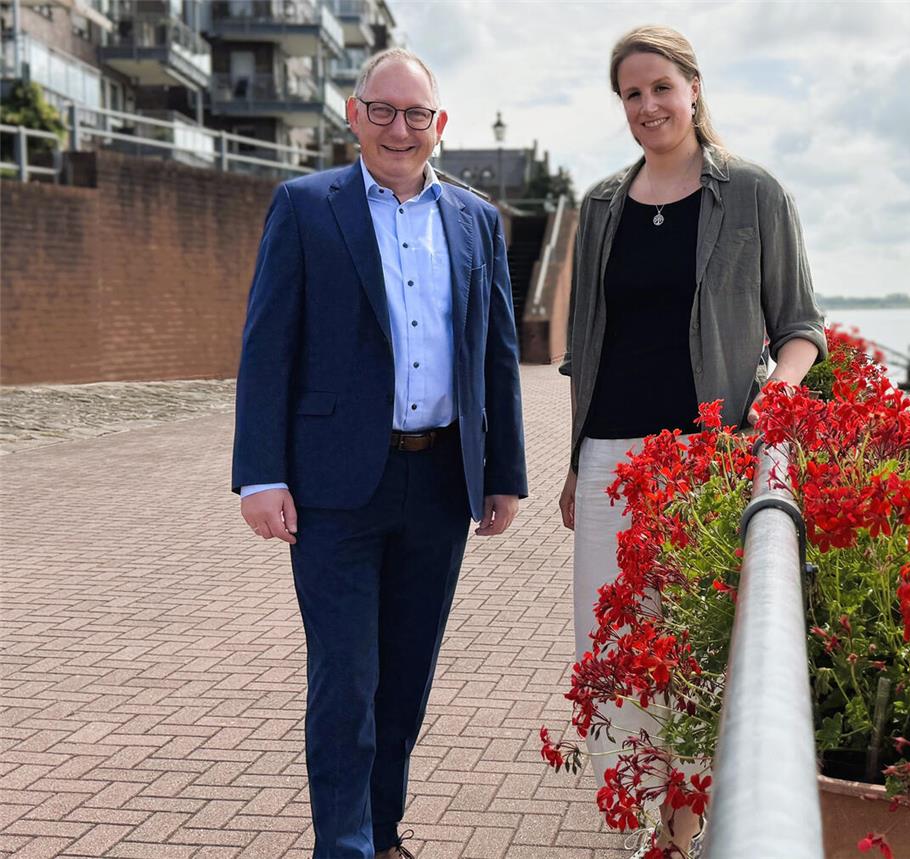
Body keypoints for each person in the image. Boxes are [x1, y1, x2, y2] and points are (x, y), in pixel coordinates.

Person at [231, 48, 527, 859]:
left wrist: (502, 474)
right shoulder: (304, 206)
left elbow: (495, 352)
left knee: (403, 683)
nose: (401, 128)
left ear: (441, 126)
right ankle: (346, 846)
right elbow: (267, 348)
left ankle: (381, 831)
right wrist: (260, 474)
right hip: (334, 489)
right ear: (354, 115)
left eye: (417, 114)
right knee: (346, 680)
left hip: (438, 483)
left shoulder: (475, 221)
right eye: (384, 111)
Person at [557, 25, 826, 859]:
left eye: (660, 88)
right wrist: (573, 464)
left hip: (705, 459)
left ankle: (701, 823)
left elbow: (801, 327)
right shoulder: (601, 206)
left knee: (700, 644)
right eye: (631, 95)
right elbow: (588, 347)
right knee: (619, 650)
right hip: (608, 457)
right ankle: (663, 829)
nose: (647, 107)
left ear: (695, 89)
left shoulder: (752, 194)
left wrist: (773, 400)